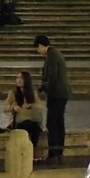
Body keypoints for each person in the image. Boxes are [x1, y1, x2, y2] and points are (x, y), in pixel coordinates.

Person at [34, 35, 70, 164]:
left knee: (53, 123)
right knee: (59, 123)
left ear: (41, 46)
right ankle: (58, 152)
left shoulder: (52, 55)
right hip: (61, 94)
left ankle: (54, 153)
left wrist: (43, 88)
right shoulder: (55, 53)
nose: (38, 52)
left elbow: (52, 75)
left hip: (56, 94)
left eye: (37, 48)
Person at [2, 71, 43, 148]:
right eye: (18, 78)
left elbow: (40, 106)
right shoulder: (13, 93)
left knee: (36, 127)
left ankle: (32, 150)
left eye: (22, 78)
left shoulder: (32, 93)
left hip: (31, 119)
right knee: (28, 125)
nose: (19, 80)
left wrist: (31, 106)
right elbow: (5, 108)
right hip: (17, 120)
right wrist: (13, 107)